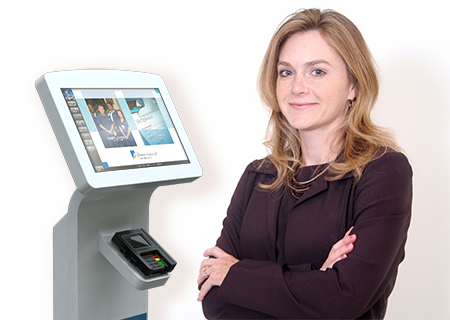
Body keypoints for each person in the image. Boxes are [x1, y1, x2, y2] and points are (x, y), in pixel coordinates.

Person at [197, 8, 412, 320]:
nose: (297, 87)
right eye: (286, 72)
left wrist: (237, 275)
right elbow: (213, 300)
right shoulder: (258, 175)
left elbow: (343, 300)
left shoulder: (382, 172)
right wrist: (316, 277)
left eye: (317, 71)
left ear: (354, 85)